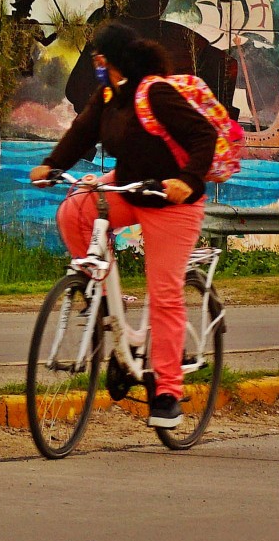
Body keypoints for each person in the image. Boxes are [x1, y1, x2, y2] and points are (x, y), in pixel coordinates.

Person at [29, 21, 216, 429]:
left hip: (172, 200)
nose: (95, 62)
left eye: (99, 56)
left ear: (111, 59)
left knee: (163, 294)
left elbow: (204, 135)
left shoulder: (155, 92)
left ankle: (166, 391)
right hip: (131, 188)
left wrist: (187, 180)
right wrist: (52, 165)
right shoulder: (109, 96)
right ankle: (103, 299)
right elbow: (81, 133)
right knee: (74, 209)